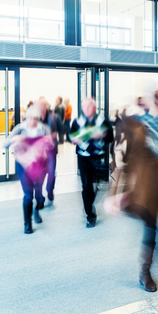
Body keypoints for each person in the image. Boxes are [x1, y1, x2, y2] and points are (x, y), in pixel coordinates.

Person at [110, 98, 158, 292]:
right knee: (151, 228)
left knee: (153, 228)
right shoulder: (131, 125)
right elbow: (118, 158)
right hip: (139, 189)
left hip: (156, 189)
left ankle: (146, 270)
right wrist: (113, 192)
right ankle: (144, 272)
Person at [4, 105, 53, 234]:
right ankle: (27, 224)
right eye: (30, 118)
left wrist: (48, 142)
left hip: (39, 165)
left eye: (35, 119)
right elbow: (5, 143)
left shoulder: (43, 129)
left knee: (39, 195)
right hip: (24, 166)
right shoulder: (19, 129)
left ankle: (36, 210)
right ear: (26, 117)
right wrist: (15, 139)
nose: (32, 121)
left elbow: (51, 145)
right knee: (28, 195)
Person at [70, 98, 113, 228]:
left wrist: (100, 135)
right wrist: (74, 139)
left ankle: (89, 201)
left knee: (99, 184)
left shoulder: (102, 121)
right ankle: (90, 216)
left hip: (98, 157)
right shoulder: (78, 122)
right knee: (86, 187)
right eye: (84, 107)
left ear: (94, 108)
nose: (86, 110)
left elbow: (110, 137)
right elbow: (72, 136)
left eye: (88, 107)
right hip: (83, 158)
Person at [38, 97, 60, 205]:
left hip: (51, 151)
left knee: (51, 173)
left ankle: (50, 190)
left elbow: (60, 132)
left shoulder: (54, 117)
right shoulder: (34, 119)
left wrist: (52, 136)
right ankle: (40, 196)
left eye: (44, 104)